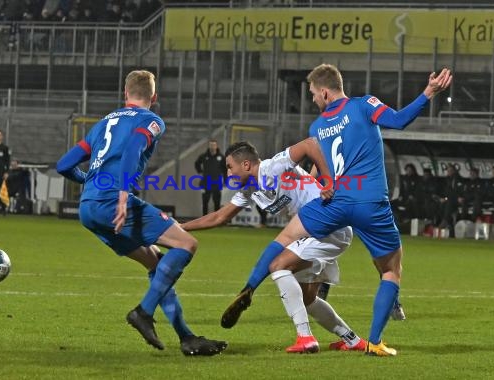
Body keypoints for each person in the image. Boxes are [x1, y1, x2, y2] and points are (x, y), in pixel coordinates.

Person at [222, 65, 452, 356]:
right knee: (391, 271)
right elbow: (399, 120)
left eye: (313, 94)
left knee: (284, 237)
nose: (313, 100)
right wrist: (428, 92)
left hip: (335, 203)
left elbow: (323, 163)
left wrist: (320, 182)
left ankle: (249, 287)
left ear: (326, 92)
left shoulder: (318, 127)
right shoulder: (364, 105)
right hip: (370, 203)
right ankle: (375, 342)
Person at [56, 70, 226, 356]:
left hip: (88, 207)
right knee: (186, 244)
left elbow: (63, 165)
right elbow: (134, 148)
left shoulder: (103, 123)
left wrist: (91, 182)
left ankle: (187, 338)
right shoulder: (151, 121)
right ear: (154, 97)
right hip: (113, 201)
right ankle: (143, 312)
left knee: (157, 265)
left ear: (125, 94)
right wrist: (122, 195)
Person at [182, 141, 367, 353]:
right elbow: (219, 217)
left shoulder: (273, 167)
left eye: (230, 166)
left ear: (246, 164)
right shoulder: (250, 189)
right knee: (307, 298)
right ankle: (351, 339)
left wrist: (327, 181)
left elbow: (310, 144)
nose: (228, 172)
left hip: (328, 225)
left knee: (278, 266)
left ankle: (305, 338)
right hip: (314, 232)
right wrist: (181, 226)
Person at [194, 139, 226, 215]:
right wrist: (200, 172)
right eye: (211, 145)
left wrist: (225, 181)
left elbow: (225, 169)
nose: (212, 147)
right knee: (205, 202)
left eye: (214, 145)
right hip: (206, 182)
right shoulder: (204, 156)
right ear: (209, 146)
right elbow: (197, 163)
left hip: (216, 183)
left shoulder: (221, 157)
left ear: (216, 146)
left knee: (217, 202)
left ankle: (216, 220)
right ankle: (204, 219)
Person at [438, 164, 465, 235]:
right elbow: (444, 191)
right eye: (448, 171)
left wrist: (458, 197)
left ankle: (445, 221)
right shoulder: (446, 180)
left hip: (457, 200)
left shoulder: (458, 179)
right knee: (441, 203)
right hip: (449, 199)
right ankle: (446, 222)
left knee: (449, 203)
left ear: (454, 171)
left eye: (450, 171)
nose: (449, 172)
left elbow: (459, 191)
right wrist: (443, 198)